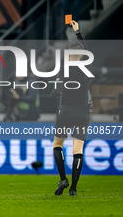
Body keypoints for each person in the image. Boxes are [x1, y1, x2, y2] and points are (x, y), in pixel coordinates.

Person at [50, 20, 91, 196]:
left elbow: (54, 92)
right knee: (78, 150)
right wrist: (77, 32)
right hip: (83, 112)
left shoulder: (63, 69)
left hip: (65, 111)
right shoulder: (86, 67)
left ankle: (63, 178)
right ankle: (73, 188)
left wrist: (57, 92)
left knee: (57, 145)